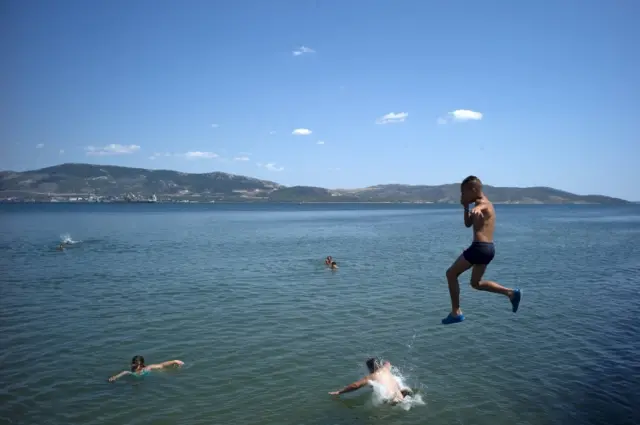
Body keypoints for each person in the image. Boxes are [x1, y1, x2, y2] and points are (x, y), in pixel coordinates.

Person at [442, 175, 521, 325]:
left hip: (479, 248)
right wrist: (466, 207)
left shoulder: (483, 203)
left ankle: (456, 312)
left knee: (451, 274)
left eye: (463, 193)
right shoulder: (479, 204)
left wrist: (476, 209)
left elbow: (481, 207)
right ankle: (510, 293)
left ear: (473, 190)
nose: (462, 195)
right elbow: (467, 224)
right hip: (488, 249)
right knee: (475, 283)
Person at [329, 358, 413, 405]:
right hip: (401, 398)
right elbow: (388, 363)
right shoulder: (386, 369)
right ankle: (402, 392)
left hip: (390, 402)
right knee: (396, 388)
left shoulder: (373, 376)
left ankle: (396, 397)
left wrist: (340, 392)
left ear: (370, 369)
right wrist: (384, 362)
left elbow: (355, 385)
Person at [108, 355, 184, 382]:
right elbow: (121, 374)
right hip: (136, 378)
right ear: (133, 364)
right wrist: (114, 377)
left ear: (142, 363)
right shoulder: (129, 371)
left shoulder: (147, 368)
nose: (138, 366)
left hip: (147, 375)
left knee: (162, 370)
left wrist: (174, 361)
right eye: (136, 364)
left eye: (139, 364)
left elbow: (161, 365)